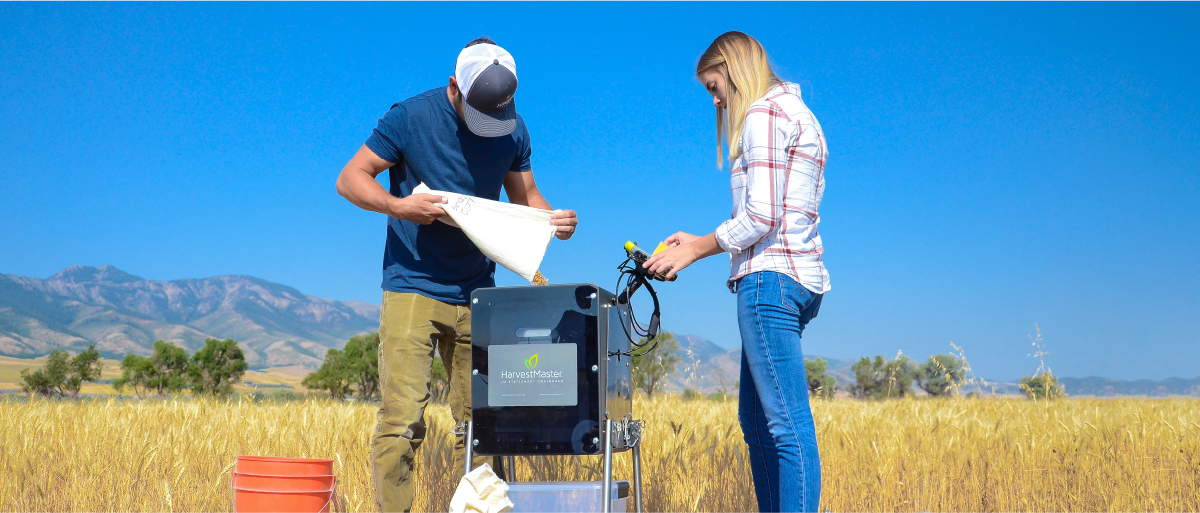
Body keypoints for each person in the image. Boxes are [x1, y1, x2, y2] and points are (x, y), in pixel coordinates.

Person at [334, 37, 578, 512]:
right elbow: (350, 178)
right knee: (403, 421)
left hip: (478, 296)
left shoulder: (513, 130)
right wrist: (398, 205)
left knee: (486, 425)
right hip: (412, 286)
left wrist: (556, 223)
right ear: (454, 87)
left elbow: (528, 199)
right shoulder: (409, 117)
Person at [643, 31, 829, 513]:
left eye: (713, 85)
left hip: (770, 281)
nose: (715, 100)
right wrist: (699, 239)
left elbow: (761, 216)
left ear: (733, 68)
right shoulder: (799, 113)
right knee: (758, 422)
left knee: (785, 428)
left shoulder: (764, 115)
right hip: (799, 278)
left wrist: (698, 249)